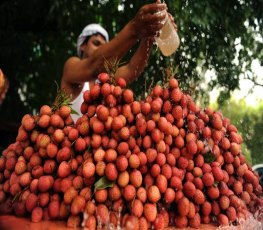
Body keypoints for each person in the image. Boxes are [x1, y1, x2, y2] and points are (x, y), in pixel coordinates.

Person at [60, 2, 167, 122]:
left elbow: (131, 69)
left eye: (104, 46)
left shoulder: (105, 80)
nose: (100, 49)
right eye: (96, 43)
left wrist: (150, 35)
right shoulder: (71, 66)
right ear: (82, 46)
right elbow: (94, 66)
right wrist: (134, 29)